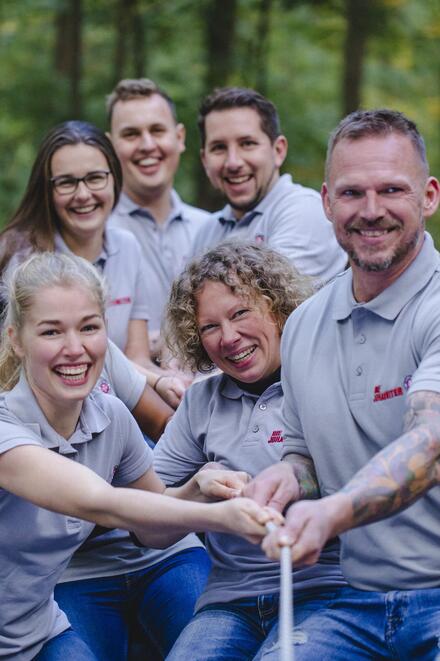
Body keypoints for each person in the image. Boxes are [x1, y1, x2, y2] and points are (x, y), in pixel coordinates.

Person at [0, 251, 273, 661]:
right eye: (52, 332)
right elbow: (99, 501)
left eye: (89, 327)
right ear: (16, 340)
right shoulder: (5, 428)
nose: (75, 348)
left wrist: (198, 489)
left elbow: (151, 525)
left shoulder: (110, 415)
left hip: (36, 632)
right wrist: (222, 517)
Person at [246, 109, 440, 660]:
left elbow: (430, 442)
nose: (371, 210)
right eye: (352, 192)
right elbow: (304, 456)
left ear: (428, 196)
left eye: (392, 190)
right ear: (327, 203)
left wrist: (332, 513)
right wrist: (286, 479)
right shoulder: (304, 323)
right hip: (352, 603)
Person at [153, 242, 347, 661]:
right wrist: (194, 493)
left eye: (241, 313)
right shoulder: (201, 401)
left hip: (325, 590)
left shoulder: (329, 378)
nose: (228, 338)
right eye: (209, 327)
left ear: (279, 308)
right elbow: (145, 528)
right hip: (230, 601)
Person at [192, 86, 347, 283]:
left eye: (247, 143)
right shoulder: (207, 230)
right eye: (219, 147)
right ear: (205, 160)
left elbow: (269, 298)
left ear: (278, 151)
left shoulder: (304, 211)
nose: (233, 162)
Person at [106, 78, 208, 360]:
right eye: (131, 134)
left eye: (157, 130)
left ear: (179, 137)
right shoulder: (96, 236)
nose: (147, 144)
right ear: (110, 147)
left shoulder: (211, 230)